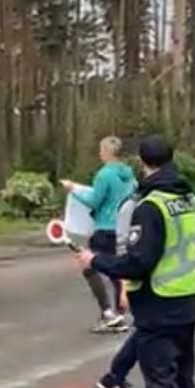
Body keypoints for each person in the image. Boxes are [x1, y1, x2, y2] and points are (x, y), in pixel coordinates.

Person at [76, 136, 195, 388]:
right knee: (184, 383)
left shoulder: (150, 206)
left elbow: (139, 261)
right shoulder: (188, 199)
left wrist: (96, 261)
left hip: (158, 306)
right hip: (186, 302)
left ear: (141, 162)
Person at [63, 136, 137, 333]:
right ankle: (120, 311)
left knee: (90, 266)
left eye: (101, 150)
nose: (99, 153)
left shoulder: (104, 175)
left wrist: (74, 190)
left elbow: (95, 200)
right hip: (124, 227)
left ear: (108, 152)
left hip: (104, 227)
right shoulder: (130, 177)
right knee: (117, 270)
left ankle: (108, 312)